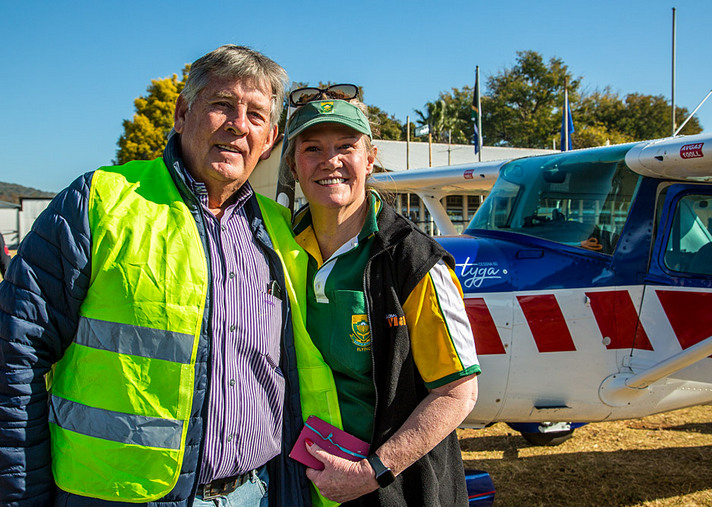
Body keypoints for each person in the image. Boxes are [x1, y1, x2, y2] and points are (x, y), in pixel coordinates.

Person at [0, 45, 310, 506]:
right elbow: (15, 354)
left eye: (256, 115)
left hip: (252, 493)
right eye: (222, 104)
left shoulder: (281, 230)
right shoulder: (98, 203)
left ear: (269, 140)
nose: (238, 125)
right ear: (183, 114)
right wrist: (21, 497)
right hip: (109, 495)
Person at [282, 91, 481, 506]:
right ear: (293, 165)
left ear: (370, 159)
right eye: (312, 148)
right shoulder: (275, 244)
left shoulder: (414, 260)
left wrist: (373, 471)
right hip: (298, 484)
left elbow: (457, 393)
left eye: (346, 147)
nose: (330, 161)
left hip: (389, 489)